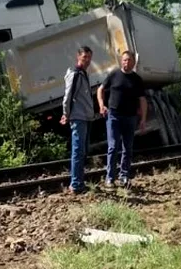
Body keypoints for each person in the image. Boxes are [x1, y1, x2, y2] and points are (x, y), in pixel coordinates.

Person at [97, 50, 148, 189]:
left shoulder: (137, 79)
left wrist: (143, 119)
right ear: (121, 61)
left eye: (129, 60)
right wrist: (102, 105)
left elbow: (142, 100)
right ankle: (110, 178)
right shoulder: (114, 75)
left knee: (128, 148)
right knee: (113, 147)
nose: (127, 62)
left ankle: (124, 176)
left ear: (134, 62)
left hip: (130, 117)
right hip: (114, 115)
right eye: (124, 60)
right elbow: (100, 89)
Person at [60, 46, 96, 194]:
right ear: (78, 57)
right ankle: (75, 184)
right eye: (84, 57)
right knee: (78, 151)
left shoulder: (83, 74)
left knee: (82, 152)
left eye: (89, 58)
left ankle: (79, 182)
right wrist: (66, 114)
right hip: (78, 117)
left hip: (85, 117)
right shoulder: (75, 74)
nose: (87, 61)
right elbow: (68, 96)